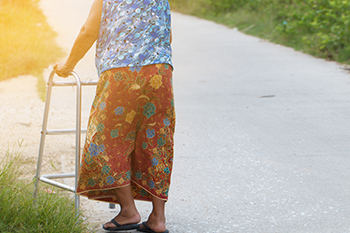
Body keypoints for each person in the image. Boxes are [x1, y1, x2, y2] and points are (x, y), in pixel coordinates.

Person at [54, 0, 175, 232]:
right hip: (160, 71)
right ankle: (158, 219)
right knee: (157, 141)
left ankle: (129, 211)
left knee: (109, 140)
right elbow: (167, 35)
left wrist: (68, 64)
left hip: (121, 71)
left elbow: (89, 30)